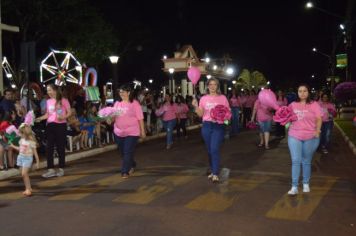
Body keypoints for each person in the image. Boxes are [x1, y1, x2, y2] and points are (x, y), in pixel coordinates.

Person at [192, 78, 230, 182]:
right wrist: (195, 106)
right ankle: (213, 170)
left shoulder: (223, 98)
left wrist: (225, 120)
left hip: (218, 126)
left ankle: (215, 173)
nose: (213, 87)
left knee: (214, 149)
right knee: (209, 150)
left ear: (218, 86)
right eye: (211, 85)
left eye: (215, 85)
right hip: (207, 126)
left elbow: (228, 113)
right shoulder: (204, 99)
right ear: (207, 86)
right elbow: (200, 114)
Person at [287, 84, 322, 195]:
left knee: (306, 161)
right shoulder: (292, 105)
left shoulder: (314, 104)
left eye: (305, 91)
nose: (302, 93)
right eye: (300, 91)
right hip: (294, 135)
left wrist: (317, 130)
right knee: (296, 161)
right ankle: (294, 186)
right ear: (297, 93)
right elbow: (286, 117)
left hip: (310, 136)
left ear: (308, 92)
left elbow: (319, 119)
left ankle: (306, 183)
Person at [110, 85, 145, 179]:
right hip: (118, 132)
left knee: (127, 151)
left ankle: (125, 171)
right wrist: (110, 118)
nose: (121, 94)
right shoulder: (117, 103)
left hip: (132, 132)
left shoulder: (134, 103)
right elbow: (114, 116)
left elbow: (140, 118)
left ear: (128, 93)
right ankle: (132, 164)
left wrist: (143, 131)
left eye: (123, 92)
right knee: (123, 152)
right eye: (120, 92)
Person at [36, 84, 72, 178]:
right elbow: (48, 114)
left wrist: (63, 117)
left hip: (61, 125)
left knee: (60, 147)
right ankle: (50, 169)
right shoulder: (48, 101)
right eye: (47, 90)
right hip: (50, 125)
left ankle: (61, 169)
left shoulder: (63, 100)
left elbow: (69, 112)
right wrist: (39, 118)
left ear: (55, 90)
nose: (48, 92)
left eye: (50, 90)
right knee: (49, 148)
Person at [10, 124, 40, 197]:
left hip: (28, 158)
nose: (19, 134)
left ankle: (28, 189)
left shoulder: (31, 142)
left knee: (24, 174)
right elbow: (20, 149)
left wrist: (38, 162)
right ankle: (29, 188)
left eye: (20, 133)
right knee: (23, 174)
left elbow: (35, 153)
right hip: (20, 157)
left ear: (25, 133)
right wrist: (12, 146)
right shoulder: (21, 140)